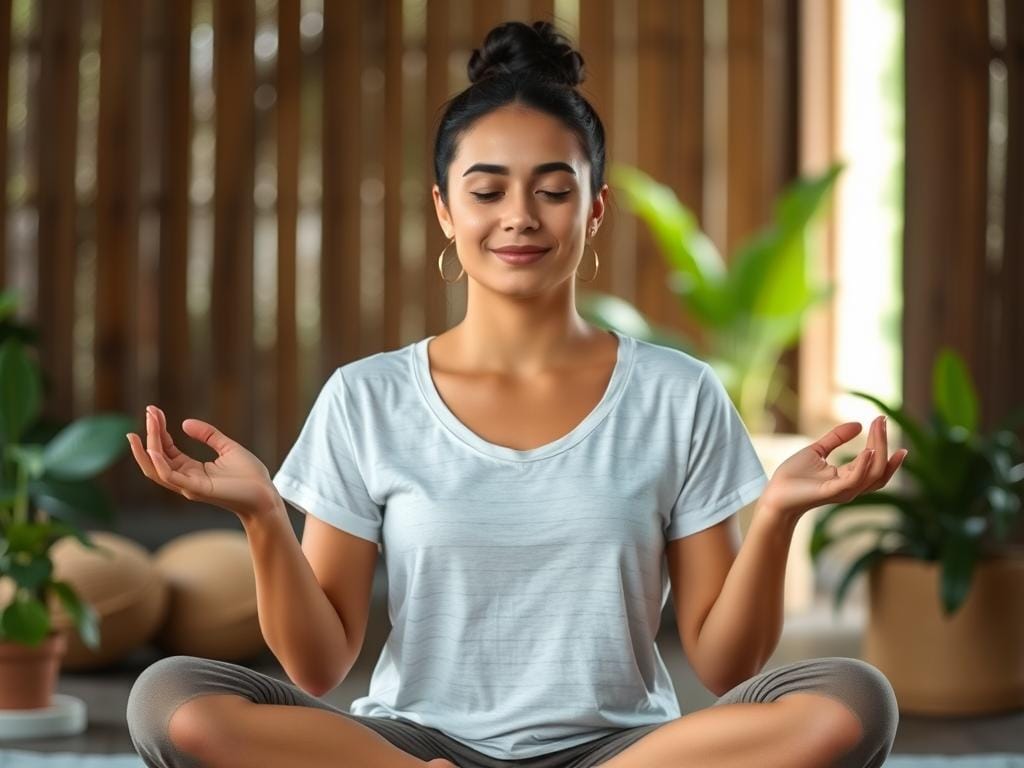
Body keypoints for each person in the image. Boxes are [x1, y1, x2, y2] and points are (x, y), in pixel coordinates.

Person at [125, 19, 906, 768]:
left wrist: (778, 514)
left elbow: (725, 665)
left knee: (851, 700)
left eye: (553, 191)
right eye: (487, 191)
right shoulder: (365, 398)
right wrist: (263, 514)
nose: (520, 218)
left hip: (621, 753)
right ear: (444, 209)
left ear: (594, 209)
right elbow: (319, 666)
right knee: (171, 699)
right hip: (418, 748)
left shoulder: (679, 395)